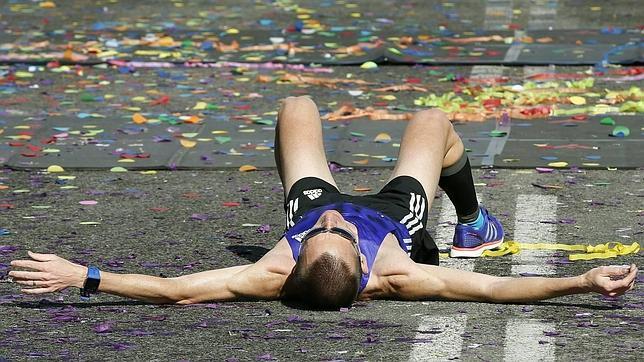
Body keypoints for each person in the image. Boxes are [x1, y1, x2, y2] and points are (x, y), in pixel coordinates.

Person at [8, 97, 637, 310]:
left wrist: (83, 275)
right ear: (364, 268)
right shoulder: (400, 271)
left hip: (305, 200)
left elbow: (175, 289)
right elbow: (496, 293)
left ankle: (306, 170)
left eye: (321, 232)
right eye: (336, 232)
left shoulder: (272, 270)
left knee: (295, 109)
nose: (334, 221)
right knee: (432, 119)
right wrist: (582, 280)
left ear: (298, 254)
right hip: (398, 214)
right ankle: (473, 218)